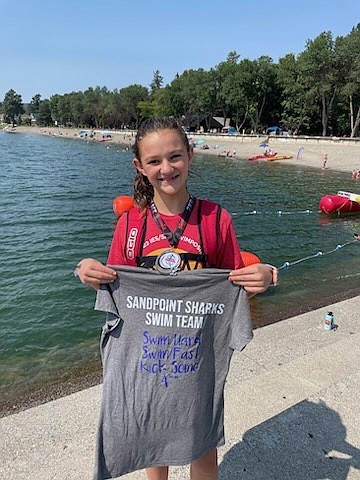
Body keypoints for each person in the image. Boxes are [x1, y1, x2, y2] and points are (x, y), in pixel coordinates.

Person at [76, 117, 274, 480]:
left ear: (190, 155)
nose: (166, 169)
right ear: (140, 166)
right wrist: (89, 273)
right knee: (154, 437)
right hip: (148, 356)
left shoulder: (216, 219)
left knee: (203, 444)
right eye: (154, 161)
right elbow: (119, 292)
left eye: (175, 157)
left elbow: (234, 284)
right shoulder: (131, 224)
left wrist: (266, 275)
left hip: (198, 356)